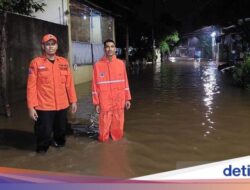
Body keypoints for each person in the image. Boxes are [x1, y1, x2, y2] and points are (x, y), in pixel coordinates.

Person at [27, 34, 77, 153]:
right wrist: (31, 107)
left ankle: (59, 146)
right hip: (44, 106)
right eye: (47, 44)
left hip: (62, 105)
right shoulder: (36, 63)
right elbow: (31, 87)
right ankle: (42, 152)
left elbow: (69, 84)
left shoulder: (64, 62)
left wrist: (73, 100)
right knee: (44, 132)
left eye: (53, 44)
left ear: (57, 46)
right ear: (43, 46)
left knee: (61, 131)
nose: (51, 47)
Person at [92, 39, 131, 142]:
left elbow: (125, 82)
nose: (110, 49)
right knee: (103, 133)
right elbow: (94, 86)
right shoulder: (97, 65)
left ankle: (116, 148)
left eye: (112, 46)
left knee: (118, 132)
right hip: (105, 103)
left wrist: (127, 99)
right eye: (107, 46)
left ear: (115, 49)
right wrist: (96, 103)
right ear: (104, 49)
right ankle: (104, 147)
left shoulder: (120, 64)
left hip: (119, 101)